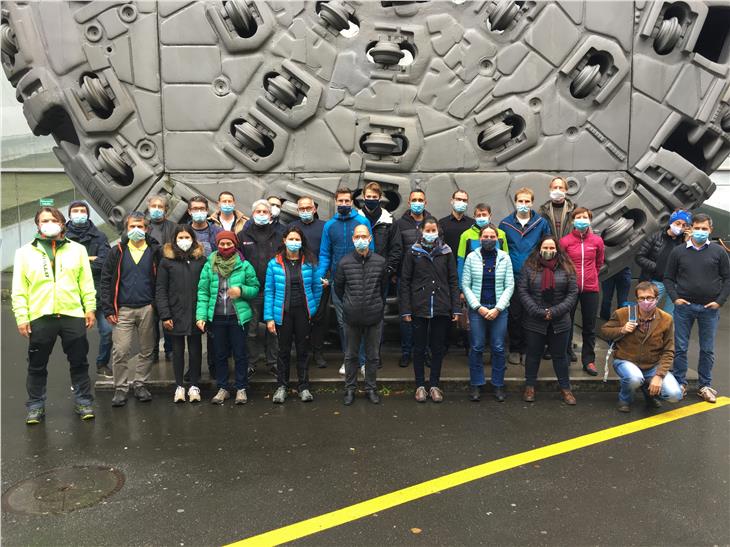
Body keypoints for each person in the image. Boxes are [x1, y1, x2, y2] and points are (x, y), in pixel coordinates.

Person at [12, 207, 97, 424]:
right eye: (44, 220)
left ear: (62, 223)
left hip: (72, 314)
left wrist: (89, 308)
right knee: (37, 364)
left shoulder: (77, 250)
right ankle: (35, 406)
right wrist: (22, 317)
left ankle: (83, 401)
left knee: (79, 362)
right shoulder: (24, 253)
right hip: (41, 316)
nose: (48, 223)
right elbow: (19, 289)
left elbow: (86, 283)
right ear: (38, 225)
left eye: (53, 219)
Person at [664, 213, 730, 403]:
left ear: (711, 230)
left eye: (704, 229)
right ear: (690, 228)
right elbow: (668, 277)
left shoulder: (719, 252)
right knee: (681, 348)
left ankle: (704, 385)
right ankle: (680, 383)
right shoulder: (678, 252)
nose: (700, 232)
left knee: (707, 349)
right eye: (697, 228)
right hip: (684, 308)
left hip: (710, 309)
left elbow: (727, 278)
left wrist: (720, 301)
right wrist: (675, 298)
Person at [101, 211, 161, 407]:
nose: (136, 230)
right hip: (123, 310)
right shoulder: (117, 251)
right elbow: (106, 280)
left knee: (147, 350)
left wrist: (156, 305)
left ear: (147, 228)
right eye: (132, 227)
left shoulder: (154, 251)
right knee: (121, 350)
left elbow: (161, 280)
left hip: (147, 308)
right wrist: (109, 309)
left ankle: (140, 383)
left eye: (140, 226)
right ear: (126, 229)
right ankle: (120, 388)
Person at [399, 217, 459, 403]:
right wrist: (406, 310)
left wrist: (455, 307)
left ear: (438, 231)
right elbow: (405, 282)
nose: (431, 233)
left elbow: (453, 280)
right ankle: (419, 386)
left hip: (441, 306)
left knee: (437, 348)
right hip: (419, 306)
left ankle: (434, 385)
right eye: (428, 230)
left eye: (434, 230)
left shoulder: (446, 252)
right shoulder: (412, 252)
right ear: (421, 231)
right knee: (419, 348)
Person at [196, 231, 259, 405]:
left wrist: (242, 291)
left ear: (235, 245)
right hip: (216, 318)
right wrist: (201, 316)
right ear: (217, 245)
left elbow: (255, 288)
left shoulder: (244, 265)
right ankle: (222, 388)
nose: (225, 247)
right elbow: (203, 291)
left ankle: (241, 388)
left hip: (237, 318)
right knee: (220, 355)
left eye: (229, 244)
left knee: (240, 354)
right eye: (222, 244)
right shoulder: (209, 264)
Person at [601, 282, 682, 412]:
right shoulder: (623, 313)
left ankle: (649, 392)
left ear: (656, 298)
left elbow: (669, 350)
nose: (646, 301)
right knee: (634, 378)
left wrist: (659, 375)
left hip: (652, 365)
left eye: (649, 298)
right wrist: (622, 329)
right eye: (642, 298)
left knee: (674, 395)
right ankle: (625, 399)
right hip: (625, 360)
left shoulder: (666, 319)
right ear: (637, 299)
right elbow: (604, 331)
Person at [264, 226, 323, 403]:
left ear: (302, 241)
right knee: (283, 351)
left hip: (303, 313)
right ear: (284, 240)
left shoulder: (309, 261)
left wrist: (312, 308)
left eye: (297, 239)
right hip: (283, 314)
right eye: (291, 239)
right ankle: (282, 386)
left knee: (303, 350)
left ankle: (303, 387)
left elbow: (317, 287)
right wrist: (269, 318)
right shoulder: (274, 263)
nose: (294, 242)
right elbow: (269, 290)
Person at [317, 187, 372, 374]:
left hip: (361, 281)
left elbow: (370, 250)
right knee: (343, 323)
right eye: (340, 201)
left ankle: (362, 361)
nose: (343, 204)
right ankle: (349, 360)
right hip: (338, 283)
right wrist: (320, 275)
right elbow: (325, 254)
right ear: (335, 201)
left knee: (361, 322)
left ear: (352, 202)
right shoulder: (329, 226)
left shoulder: (362, 221)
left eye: (346, 201)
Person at [518, 236, 579, 404]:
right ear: (539, 249)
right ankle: (530, 387)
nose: (549, 251)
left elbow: (572, 293)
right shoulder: (529, 268)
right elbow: (523, 291)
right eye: (545, 247)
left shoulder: (567, 268)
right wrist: (538, 311)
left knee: (560, 356)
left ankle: (566, 389)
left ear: (557, 250)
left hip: (560, 321)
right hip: (534, 320)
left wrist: (554, 312)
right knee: (533, 355)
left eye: (552, 248)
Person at [461, 224, 514, 402]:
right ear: (480, 238)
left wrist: (498, 308)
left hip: (499, 309)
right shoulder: (471, 257)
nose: (489, 239)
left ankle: (498, 385)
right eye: (486, 236)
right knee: (476, 347)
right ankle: (476, 384)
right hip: (478, 309)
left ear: (498, 239)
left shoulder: (505, 258)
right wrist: (478, 307)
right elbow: (466, 285)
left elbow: (510, 285)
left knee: (498, 347)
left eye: (493, 237)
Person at [499, 188, 552, 365]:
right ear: (515, 202)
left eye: (527, 201)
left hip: (535, 275)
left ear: (532, 202)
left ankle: (531, 348)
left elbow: (547, 247)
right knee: (515, 313)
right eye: (520, 201)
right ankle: (515, 348)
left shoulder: (541, 223)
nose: (523, 204)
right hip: (512, 275)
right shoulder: (505, 224)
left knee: (533, 313)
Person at [335, 225, 386, 405]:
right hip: (352, 317)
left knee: (372, 356)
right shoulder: (344, 262)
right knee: (350, 355)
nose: (361, 239)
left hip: (374, 317)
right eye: (357, 236)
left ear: (370, 238)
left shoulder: (380, 262)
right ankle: (350, 389)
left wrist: (378, 306)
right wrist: (350, 305)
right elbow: (339, 288)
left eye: (364, 236)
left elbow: (384, 288)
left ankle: (371, 388)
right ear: (352, 239)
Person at [156, 226, 206, 403]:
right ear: (174, 239)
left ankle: (194, 385)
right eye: (180, 237)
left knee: (195, 349)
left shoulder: (201, 260)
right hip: (174, 313)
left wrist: (203, 314)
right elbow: (161, 289)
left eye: (187, 237)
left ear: (193, 239)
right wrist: (165, 314)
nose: (184, 240)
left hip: (195, 312)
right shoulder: (166, 261)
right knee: (177, 351)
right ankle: (179, 386)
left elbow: (206, 288)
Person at [65, 200, 112, 377]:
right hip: (72, 295)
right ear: (69, 214)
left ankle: (102, 363)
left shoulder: (99, 236)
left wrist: (79, 264)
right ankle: (79, 369)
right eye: (75, 210)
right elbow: (62, 265)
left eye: (82, 210)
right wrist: (89, 259)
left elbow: (105, 262)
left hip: (98, 292)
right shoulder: (63, 237)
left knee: (107, 332)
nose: (79, 213)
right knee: (77, 337)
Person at [238, 199, 281, 377]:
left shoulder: (280, 235)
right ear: (253, 214)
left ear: (270, 215)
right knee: (251, 331)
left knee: (273, 330)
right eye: (258, 212)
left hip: (274, 290)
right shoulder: (242, 236)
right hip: (252, 291)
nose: (262, 215)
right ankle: (251, 363)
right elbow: (239, 263)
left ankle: (273, 362)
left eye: (265, 212)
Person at [559, 207, 605, 376]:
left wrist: (591, 275)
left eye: (585, 217)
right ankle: (566, 354)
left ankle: (589, 360)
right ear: (572, 221)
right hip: (570, 289)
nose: (582, 219)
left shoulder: (597, 241)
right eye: (578, 217)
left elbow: (599, 262)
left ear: (590, 220)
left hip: (591, 288)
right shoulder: (565, 241)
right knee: (567, 323)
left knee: (589, 326)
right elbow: (561, 264)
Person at [288, 196, 328, 367]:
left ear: (315, 209)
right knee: (298, 318)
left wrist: (326, 276)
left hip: (319, 280)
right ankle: (300, 354)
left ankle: (318, 353)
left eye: (308, 208)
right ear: (297, 211)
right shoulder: (291, 228)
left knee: (319, 318)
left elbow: (328, 252)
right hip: (296, 280)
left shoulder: (324, 227)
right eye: (301, 209)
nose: (305, 211)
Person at [187, 195, 221, 380]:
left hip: (213, 285)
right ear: (189, 211)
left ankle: (214, 366)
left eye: (202, 208)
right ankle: (193, 369)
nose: (199, 212)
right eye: (195, 208)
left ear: (207, 210)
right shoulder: (184, 232)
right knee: (193, 332)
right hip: (190, 286)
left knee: (213, 331)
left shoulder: (216, 231)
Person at [396, 189, 430, 368]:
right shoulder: (400, 224)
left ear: (426, 202)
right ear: (408, 203)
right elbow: (396, 249)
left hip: (427, 278)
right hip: (406, 277)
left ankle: (424, 352)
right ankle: (406, 352)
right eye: (414, 200)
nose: (417, 202)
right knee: (406, 316)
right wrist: (396, 272)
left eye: (421, 200)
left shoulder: (432, 223)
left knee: (425, 316)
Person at [635, 209, 691, 314]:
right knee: (644, 311)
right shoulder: (656, 237)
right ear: (671, 222)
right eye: (678, 223)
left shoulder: (685, 243)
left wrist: (687, 242)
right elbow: (639, 256)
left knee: (670, 315)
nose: (680, 227)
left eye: (684, 225)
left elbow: (688, 263)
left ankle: (664, 330)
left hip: (675, 285)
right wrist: (656, 267)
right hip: (655, 282)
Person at [147, 194, 176, 362]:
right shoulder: (143, 227)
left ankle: (170, 349)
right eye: (154, 206)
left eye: (160, 207)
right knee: (152, 319)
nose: (156, 209)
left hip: (168, 276)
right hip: (148, 277)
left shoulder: (173, 227)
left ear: (166, 210)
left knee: (167, 314)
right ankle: (153, 351)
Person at [456, 203, 509, 281]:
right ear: (474, 217)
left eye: (484, 215)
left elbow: (506, 260)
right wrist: (461, 288)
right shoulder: (466, 235)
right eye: (478, 215)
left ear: (490, 216)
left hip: (496, 280)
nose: (481, 217)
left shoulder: (501, 234)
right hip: (474, 281)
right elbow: (461, 261)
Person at [438, 189, 473, 257]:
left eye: (464, 200)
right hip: (448, 263)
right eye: (458, 199)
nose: (461, 202)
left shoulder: (472, 223)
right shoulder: (442, 223)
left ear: (467, 203)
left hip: (466, 264)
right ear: (452, 201)